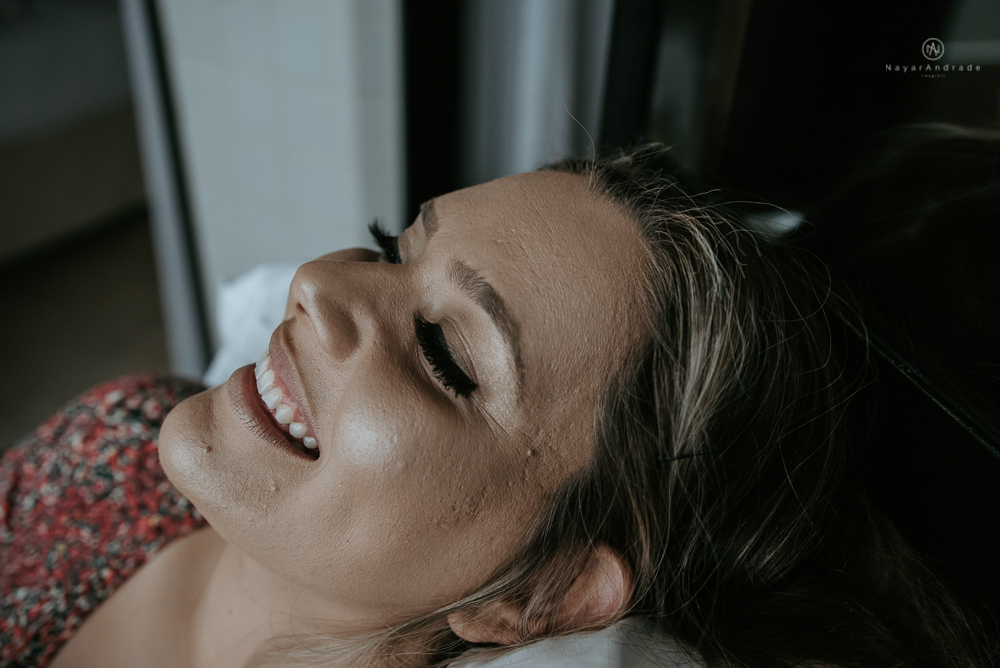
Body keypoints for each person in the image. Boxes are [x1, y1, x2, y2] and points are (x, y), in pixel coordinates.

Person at [1, 146, 994, 668]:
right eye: (391, 246)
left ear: (546, 592)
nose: (317, 284)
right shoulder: (113, 438)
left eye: (445, 353)